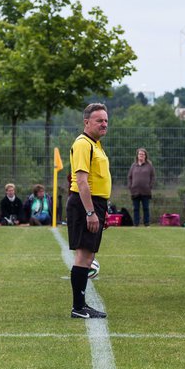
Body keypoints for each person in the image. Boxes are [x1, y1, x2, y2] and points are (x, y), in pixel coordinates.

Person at [68, 103, 111, 319]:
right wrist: (90, 212)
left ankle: (80, 305)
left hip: (96, 204)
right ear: (87, 123)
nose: (104, 124)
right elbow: (82, 182)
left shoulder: (96, 144)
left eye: (105, 120)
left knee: (88, 254)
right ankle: (78, 307)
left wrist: (102, 210)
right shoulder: (84, 144)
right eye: (99, 120)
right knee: (84, 255)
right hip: (85, 203)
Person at [127, 148, 155, 226]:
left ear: (145, 156)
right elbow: (129, 176)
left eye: (143, 154)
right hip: (135, 191)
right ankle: (136, 223)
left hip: (145, 191)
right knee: (136, 208)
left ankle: (146, 223)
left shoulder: (149, 166)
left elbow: (153, 176)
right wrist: (130, 186)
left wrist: (150, 186)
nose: (141, 156)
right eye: (140, 154)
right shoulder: (133, 165)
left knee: (146, 208)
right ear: (137, 155)